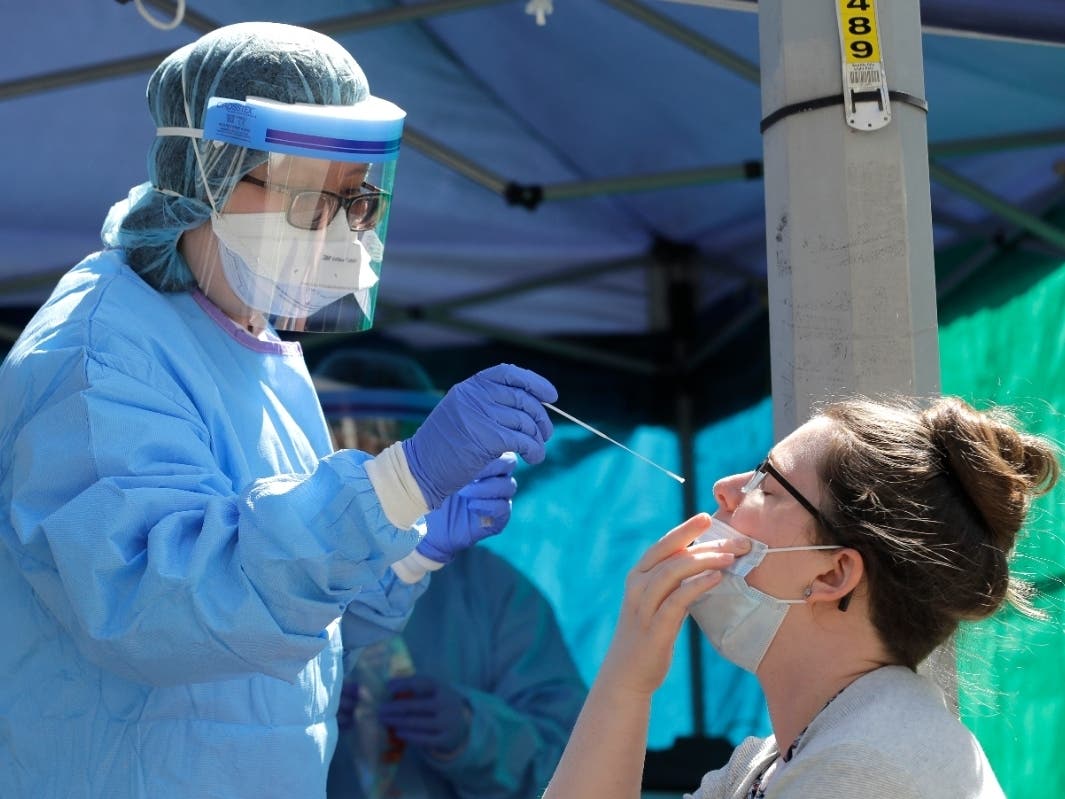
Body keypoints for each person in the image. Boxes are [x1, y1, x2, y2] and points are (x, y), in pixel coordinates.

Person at [0, 22, 558, 799]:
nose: (340, 228)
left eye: (357, 199)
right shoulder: (96, 351)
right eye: (309, 192)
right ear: (209, 169)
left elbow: (288, 625)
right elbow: (156, 603)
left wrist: (406, 551)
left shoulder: (260, 344)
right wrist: (396, 483)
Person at [543, 395, 1059, 799]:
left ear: (834, 573)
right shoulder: (770, 763)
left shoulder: (862, 764)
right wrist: (627, 681)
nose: (725, 486)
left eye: (767, 485)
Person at [313, 348, 587, 799]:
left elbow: (576, 761)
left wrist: (471, 730)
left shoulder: (498, 596)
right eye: (346, 438)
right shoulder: (280, 575)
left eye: (396, 439)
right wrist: (301, 706)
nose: (373, 462)